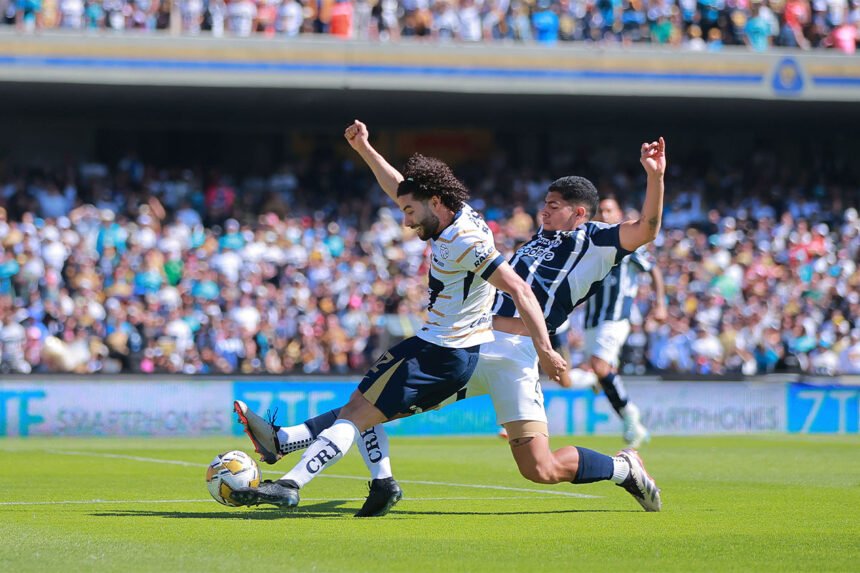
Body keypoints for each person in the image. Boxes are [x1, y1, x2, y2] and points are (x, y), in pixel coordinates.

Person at [236, 130, 667, 517]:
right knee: (378, 404)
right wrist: (367, 150)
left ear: (579, 212)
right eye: (544, 204)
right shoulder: (532, 238)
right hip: (474, 342)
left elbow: (646, 228)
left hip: (517, 353)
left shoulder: (597, 240)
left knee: (541, 468)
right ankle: (297, 446)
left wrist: (654, 176)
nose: (543, 211)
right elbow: (411, 195)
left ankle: (622, 468)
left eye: (553, 206)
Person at [581, 195, 667, 448]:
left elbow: (653, 270)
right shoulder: (591, 243)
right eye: (601, 212)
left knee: (599, 367)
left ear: (618, 214)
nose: (605, 216)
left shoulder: (629, 244)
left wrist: (660, 303)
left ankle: (631, 415)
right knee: (601, 375)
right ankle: (634, 426)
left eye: (610, 210)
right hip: (591, 321)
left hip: (615, 318)